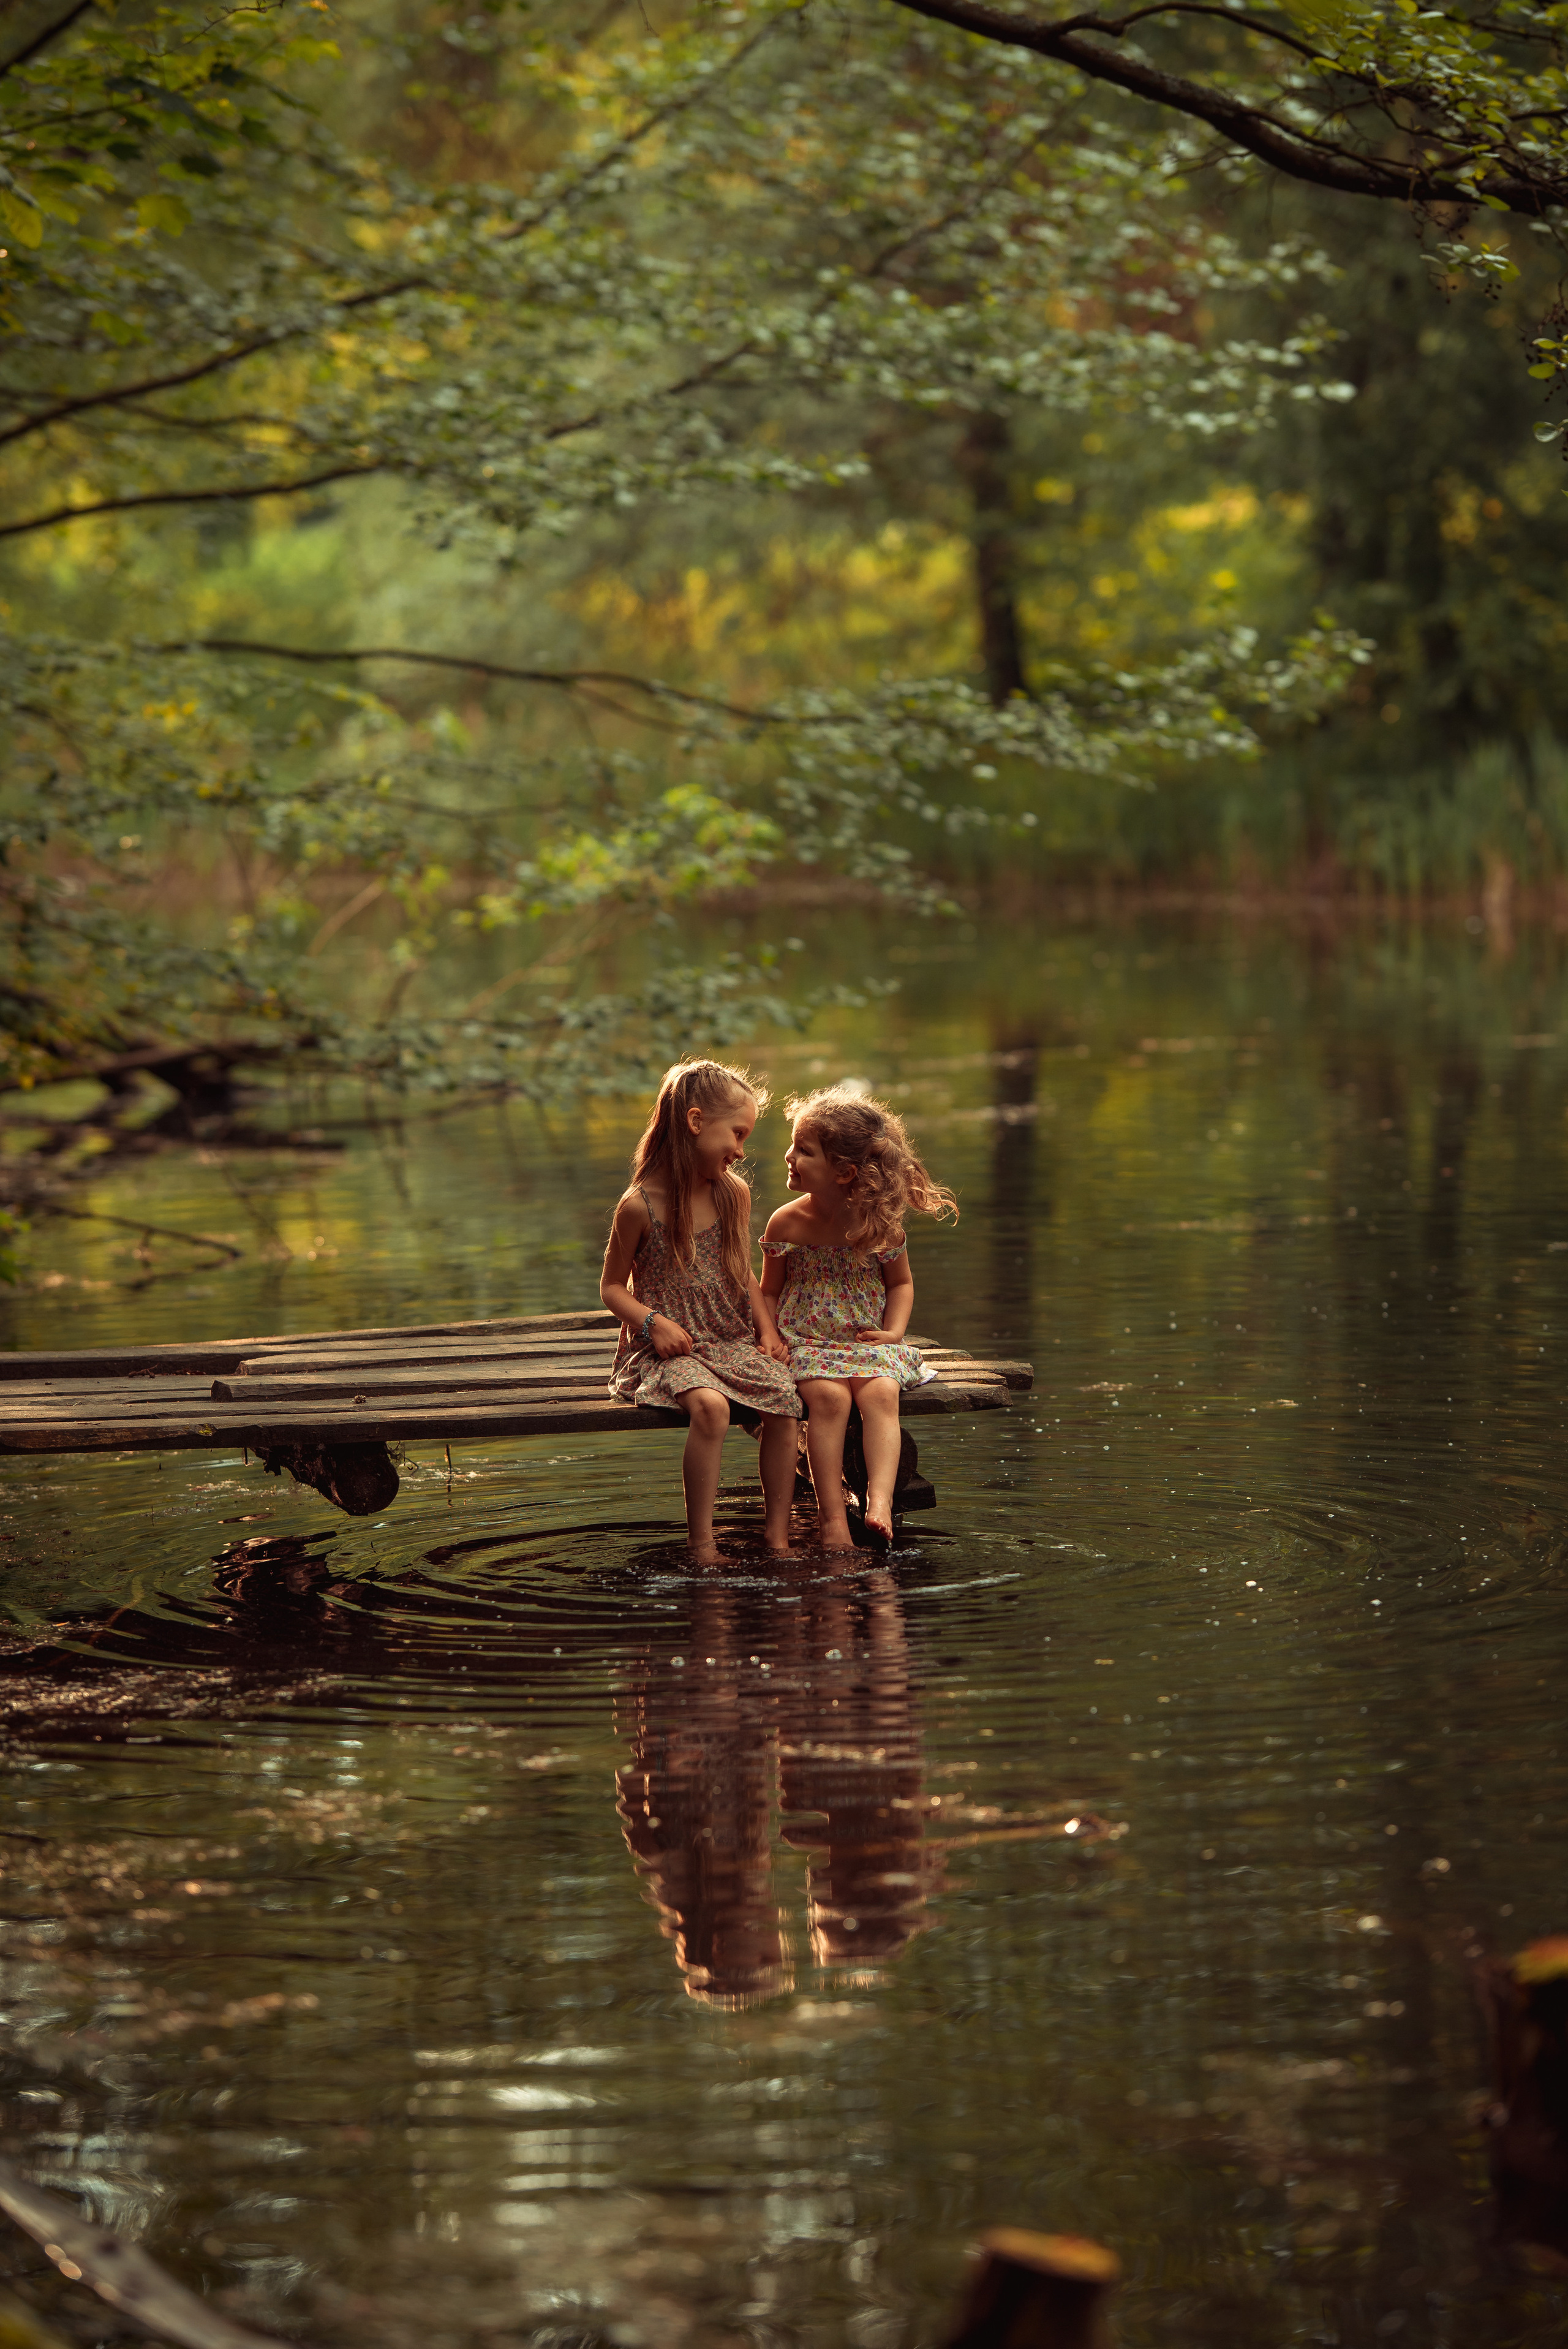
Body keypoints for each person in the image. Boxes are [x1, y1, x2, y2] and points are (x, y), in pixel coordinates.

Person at [601, 1059, 803, 1563]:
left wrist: (767, 1330)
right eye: (736, 1134)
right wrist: (653, 1322)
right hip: (667, 1347)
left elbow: (743, 1274)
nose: (741, 1150)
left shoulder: (732, 1194)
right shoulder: (638, 1206)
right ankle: (702, 1545)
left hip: (728, 1337)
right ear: (695, 1123)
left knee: (785, 1396)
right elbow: (610, 1289)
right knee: (711, 1408)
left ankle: (777, 1540)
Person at [761, 1085, 957, 1552]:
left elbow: (900, 1285)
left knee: (882, 1393)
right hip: (806, 1339)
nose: (789, 1155)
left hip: (866, 1339)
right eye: (793, 1144)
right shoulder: (785, 1224)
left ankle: (880, 1501)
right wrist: (769, 1335)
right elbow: (767, 1290)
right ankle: (832, 1520)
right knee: (828, 1400)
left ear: (845, 1172)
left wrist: (894, 1333)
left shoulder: (877, 1223)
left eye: (804, 1150)